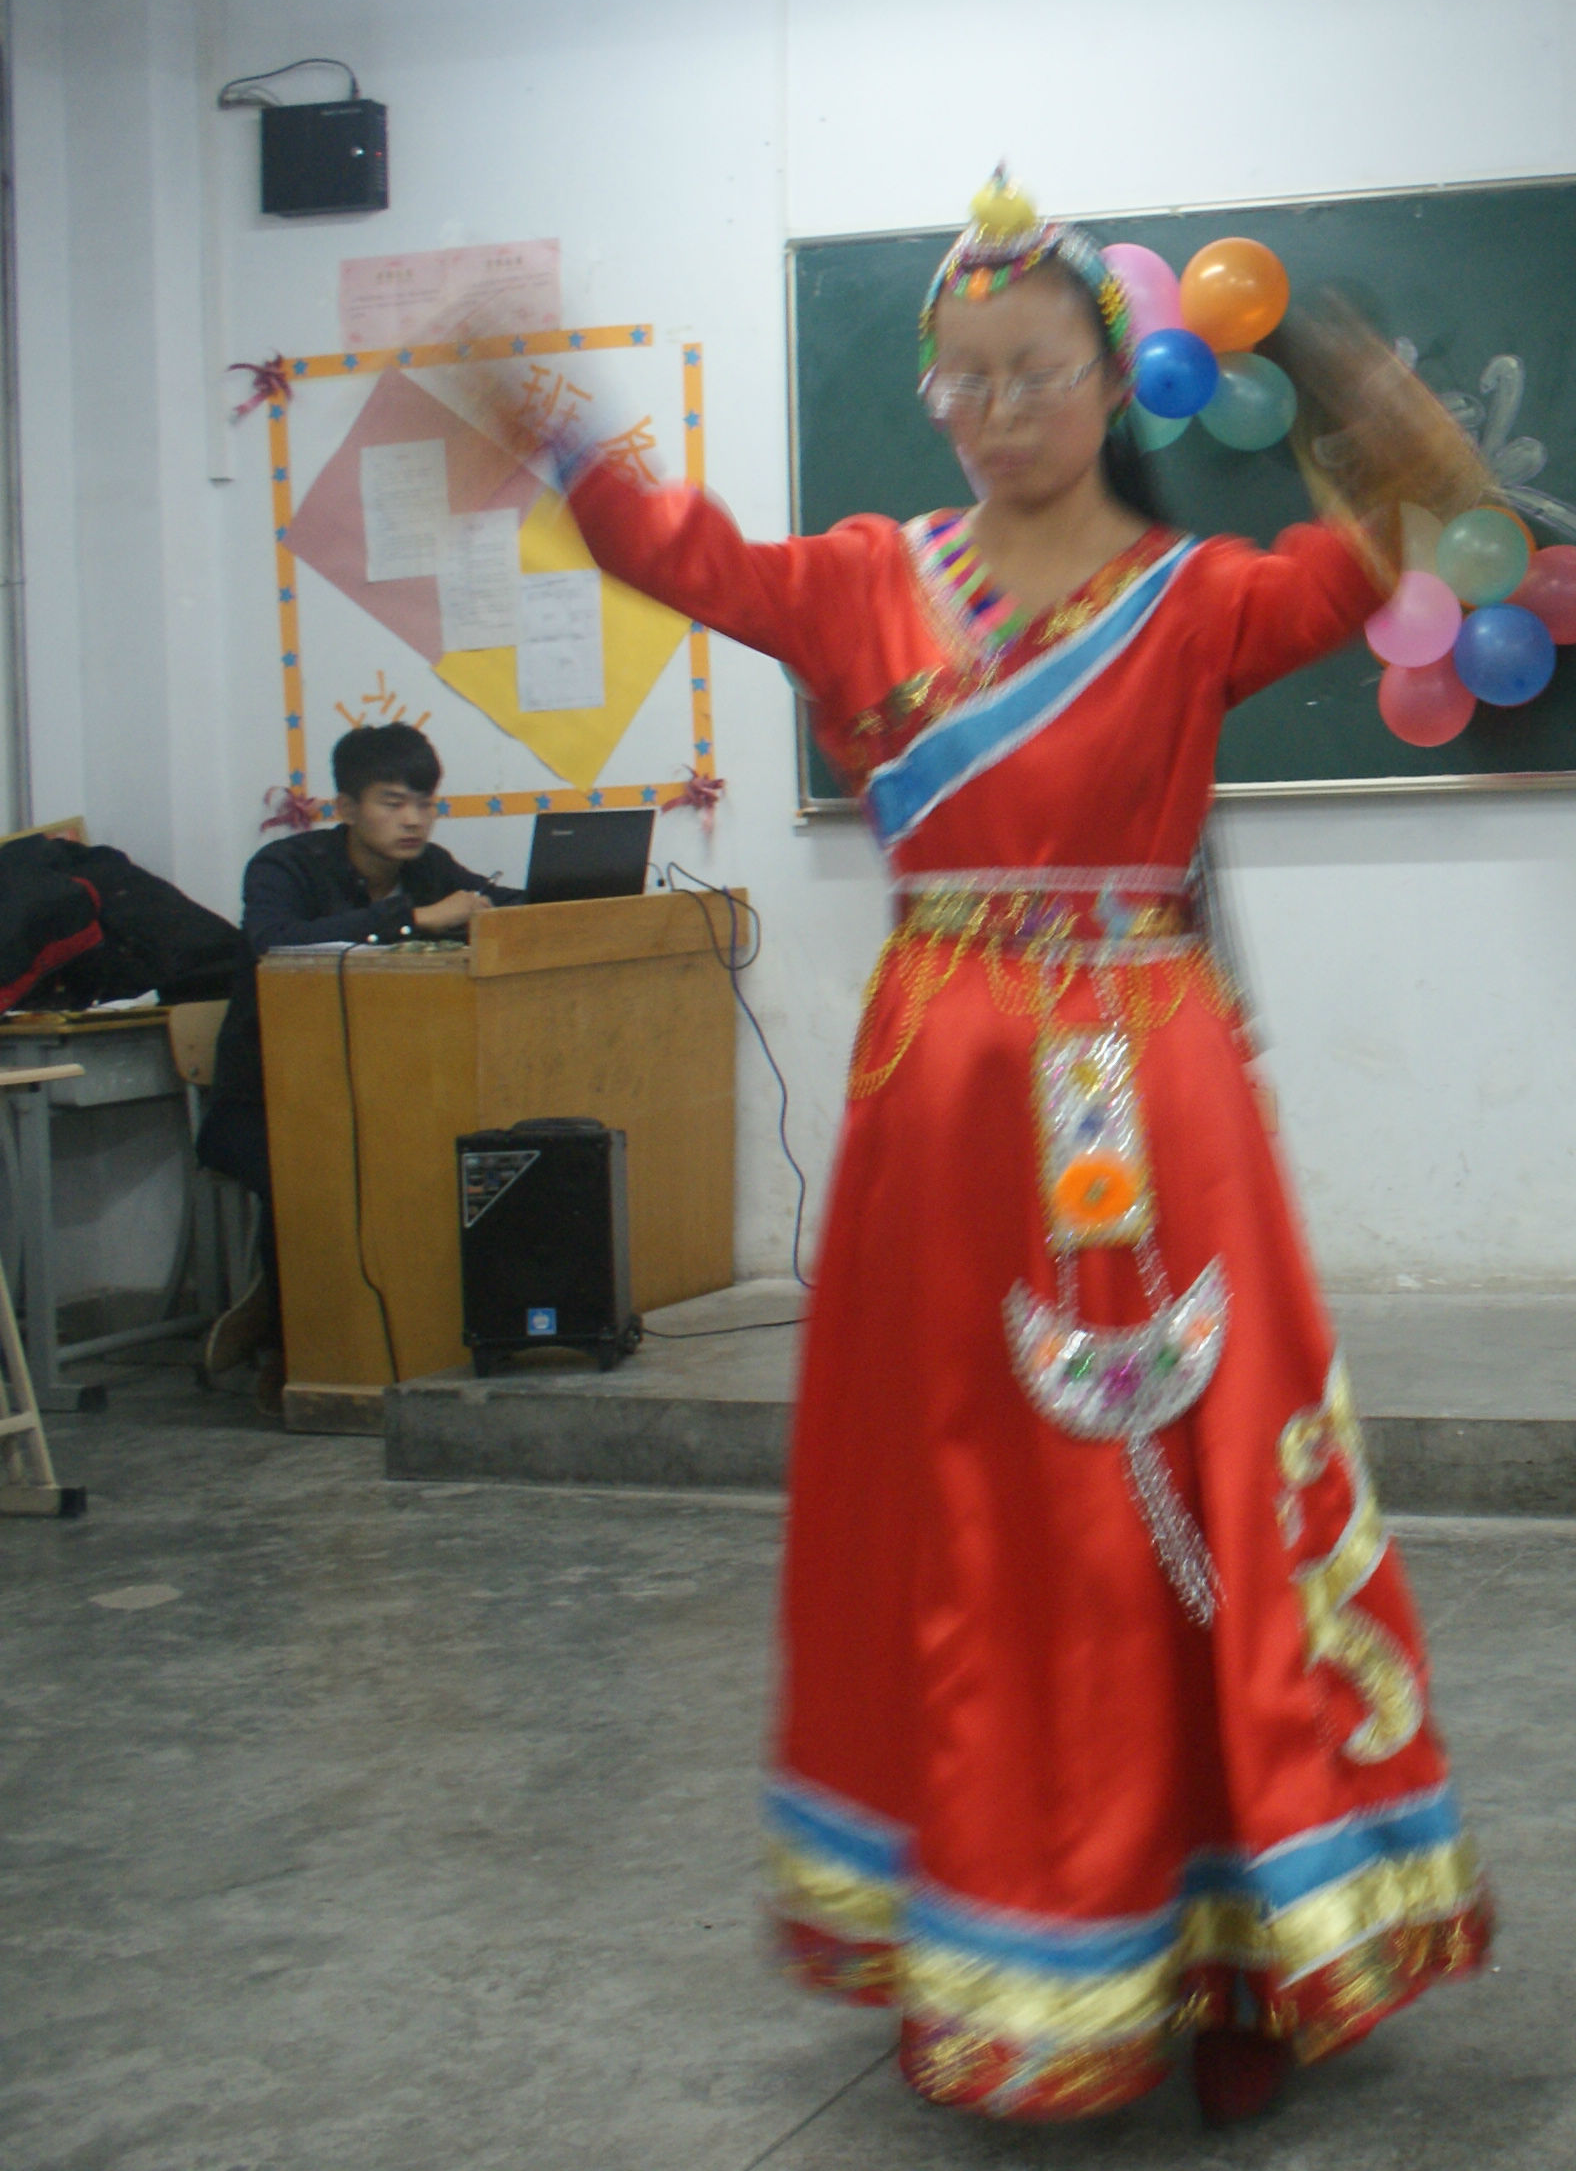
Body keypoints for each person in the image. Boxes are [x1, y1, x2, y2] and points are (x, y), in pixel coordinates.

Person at [514, 179, 1490, 2127]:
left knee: (1189, 1503)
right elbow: (681, 553)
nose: (994, 411)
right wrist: (551, 422)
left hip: (1151, 1086)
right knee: (960, 1511)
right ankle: (992, 1912)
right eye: (961, 380)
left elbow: (1377, 567)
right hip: (943, 1111)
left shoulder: (1197, 596)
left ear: (1108, 383)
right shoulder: (864, 580)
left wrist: (1397, 440)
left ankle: (1230, 1924)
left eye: (1032, 372)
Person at [196, 721, 521, 1396]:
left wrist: (576, 894)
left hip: (382, 1096)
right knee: (317, 1176)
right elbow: (274, 941)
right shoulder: (284, 867)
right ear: (346, 807)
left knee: (438, 1157)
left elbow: (496, 903)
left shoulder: (428, 868)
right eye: (393, 803)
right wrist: (414, 920)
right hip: (266, 1103)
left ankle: (412, 1331)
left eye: (425, 804)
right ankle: (298, 1346)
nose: (414, 821)